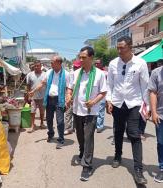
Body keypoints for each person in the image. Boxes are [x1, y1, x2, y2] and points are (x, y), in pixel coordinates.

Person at [106, 36, 149, 185]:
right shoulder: (113, 64)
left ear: (130, 47)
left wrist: (147, 106)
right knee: (117, 131)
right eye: (117, 48)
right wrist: (109, 100)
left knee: (134, 134)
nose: (119, 50)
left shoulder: (140, 63)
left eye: (122, 47)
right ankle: (118, 155)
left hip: (134, 103)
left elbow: (145, 86)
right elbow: (109, 84)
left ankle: (138, 169)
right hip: (118, 103)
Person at [66, 46, 107, 181]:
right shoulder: (76, 73)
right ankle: (82, 152)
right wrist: (68, 96)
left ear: (91, 58)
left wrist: (94, 102)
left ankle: (87, 166)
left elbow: (103, 92)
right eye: (80, 57)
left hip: (91, 112)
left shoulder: (100, 74)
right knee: (80, 136)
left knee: (88, 138)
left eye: (84, 57)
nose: (81, 59)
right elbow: (70, 88)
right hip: (77, 110)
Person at [29, 55, 70, 149]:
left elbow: (69, 88)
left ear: (59, 63)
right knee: (49, 119)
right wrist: (33, 91)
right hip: (49, 99)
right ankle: (51, 134)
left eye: (52, 62)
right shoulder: (49, 73)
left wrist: (68, 99)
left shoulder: (66, 74)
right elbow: (42, 84)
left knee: (60, 121)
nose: (50, 64)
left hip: (59, 100)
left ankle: (61, 139)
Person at [148, 65, 163, 183]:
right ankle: (162, 168)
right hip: (161, 115)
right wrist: (153, 112)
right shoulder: (156, 73)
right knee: (161, 142)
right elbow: (153, 92)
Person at [26, 60, 46, 133]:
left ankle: (41, 123)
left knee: (42, 111)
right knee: (32, 111)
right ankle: (32, 125)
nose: (36, 67)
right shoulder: (30, 75)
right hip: (33, 97)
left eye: (38, 66)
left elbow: (45, 84)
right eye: (35, 66)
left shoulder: (45, 74)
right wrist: (28, 95)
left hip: (42, 96)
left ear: (41, 66)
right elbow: (28, 85)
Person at [64, 60, 82, 135]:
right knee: (68, 112)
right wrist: (68, 96)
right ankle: (68, 128)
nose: (76, 68)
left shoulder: (83, 74)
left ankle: (75, 127)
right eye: (75, 66)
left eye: (77, 67)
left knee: (77, 113)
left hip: (79, 96)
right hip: (70, 95)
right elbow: (67, 86)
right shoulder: (70, 74)